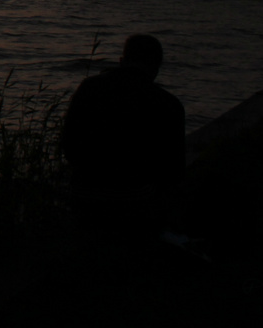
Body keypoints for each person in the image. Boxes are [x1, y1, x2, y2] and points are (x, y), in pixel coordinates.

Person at [61, 33, 186, 242]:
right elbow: (174, 172)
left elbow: (69, 147)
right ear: (157, 66)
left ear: (122, 61)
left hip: (84, 196)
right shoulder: (169, 104)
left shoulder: (88, 88)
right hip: (134, 201)